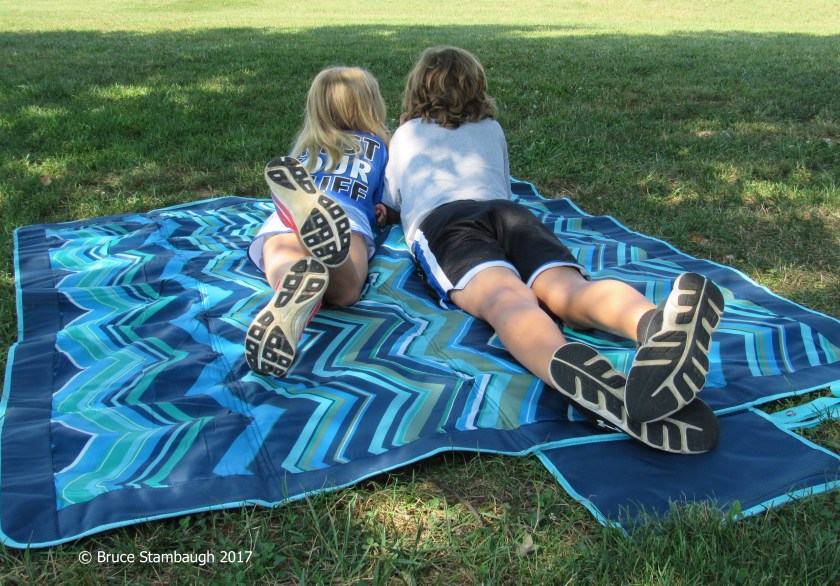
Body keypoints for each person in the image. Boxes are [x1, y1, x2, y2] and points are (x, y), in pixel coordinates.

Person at [381, 46, 726, 454]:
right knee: (568, 288)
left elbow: (394, 200)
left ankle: (566, 365)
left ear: (416, 90)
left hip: (447, 222)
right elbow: (503, 186)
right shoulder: (490, 128)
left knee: (506, 301)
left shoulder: (405, 135)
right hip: (508, 214)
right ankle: (653, 323)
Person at [245, 66, 389, 377]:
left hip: (284, 221)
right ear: (371, 105)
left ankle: (291, 290)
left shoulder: (303, 147)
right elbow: (383, 201)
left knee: (284, 260)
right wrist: (381, 210)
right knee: (346, 291)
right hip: (346, 216)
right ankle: (326, 259)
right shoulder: (376, 148)